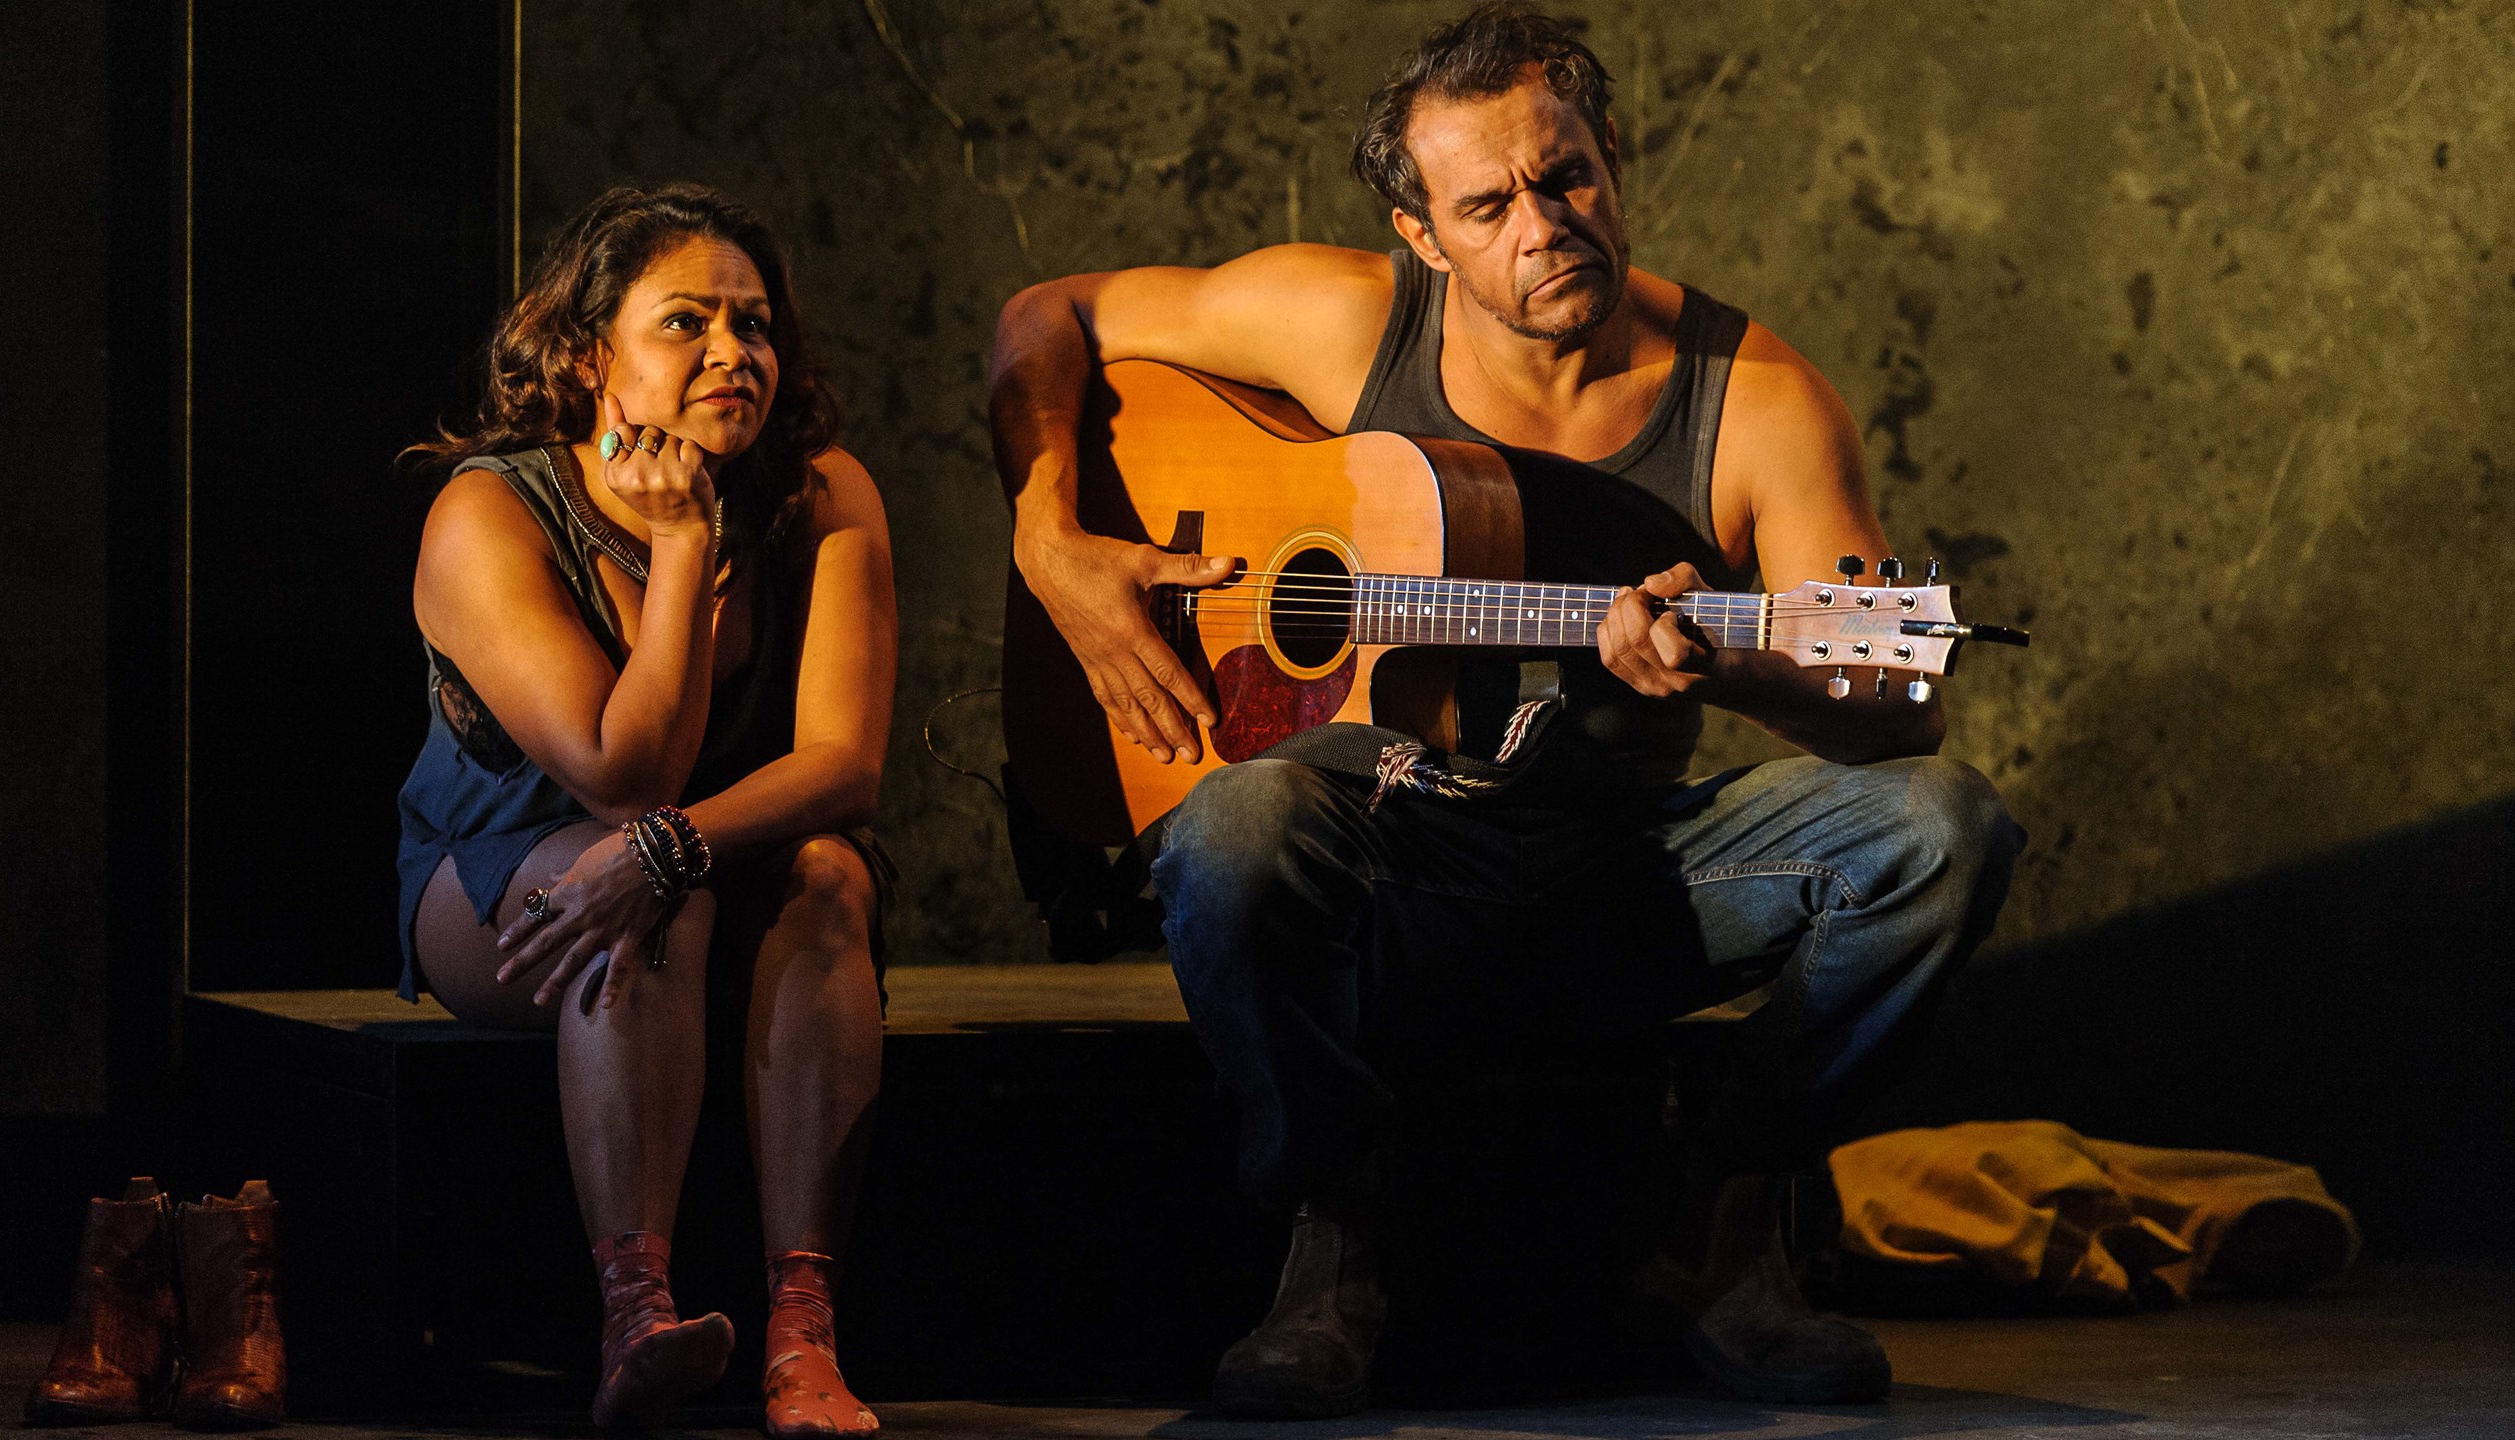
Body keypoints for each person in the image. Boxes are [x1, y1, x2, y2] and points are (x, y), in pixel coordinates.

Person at [990, 2, 2023, 1417]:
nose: (1545, 225)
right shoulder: (1345, 319)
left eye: (1569, 177)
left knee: (1944, 830)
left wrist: (1735, 667)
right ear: (1424, 236)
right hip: (1395, 856)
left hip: (1631, 870)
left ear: (1614, 155)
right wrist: (1055, 545)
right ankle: (1331, 1238)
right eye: (1490, 205)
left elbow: (1897, 712)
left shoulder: (1759, 402)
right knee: (1233, 828)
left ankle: (1719, 1217)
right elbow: (1046, 316)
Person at [398, 183, 894, 1436]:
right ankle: (636, 1322)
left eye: (756, 324)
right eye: (687, 323)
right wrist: (680, 549)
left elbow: (844, 763)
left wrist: (673, 847)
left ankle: (802, 1336)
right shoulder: (489, 512)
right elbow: (622, 775)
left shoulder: (824, 496)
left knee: (830, 872)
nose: (735, 353)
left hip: (707, 858)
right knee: (639, 890)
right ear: (588, 355)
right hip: (500, 873)